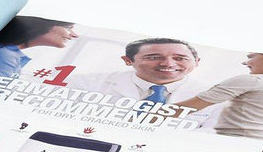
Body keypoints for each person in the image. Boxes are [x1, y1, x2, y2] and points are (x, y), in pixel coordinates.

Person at [68, 38, 206, 107]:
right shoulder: (83, 83)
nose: (168, 64)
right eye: (153, 57)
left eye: (180, 58)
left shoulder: (213, 96)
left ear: (196, 61)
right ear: (128, 60)